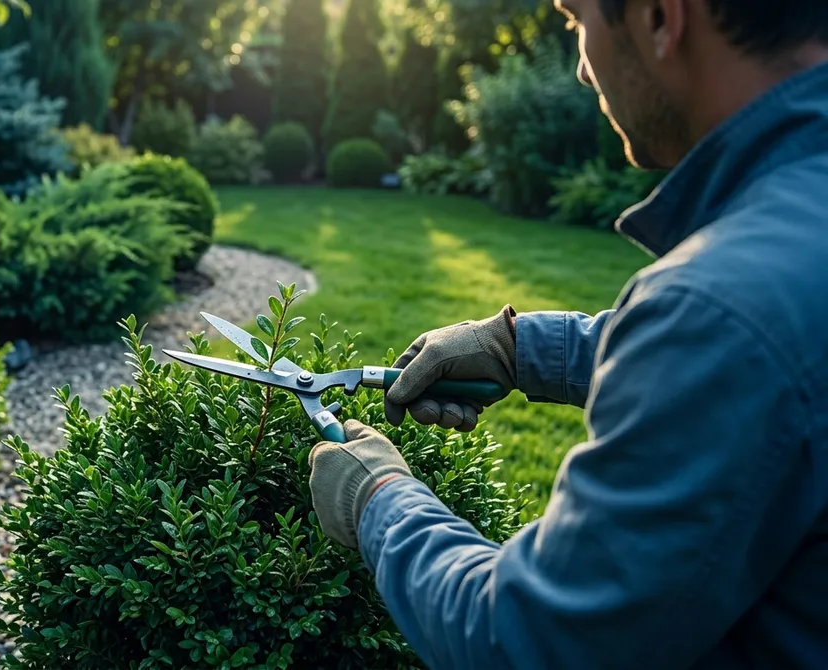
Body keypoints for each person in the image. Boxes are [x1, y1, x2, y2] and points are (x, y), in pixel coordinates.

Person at [306, 0, 828, 667]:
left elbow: (528, 641)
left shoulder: (722, 309)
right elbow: (772, 371)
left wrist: (377, 500)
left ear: (661, 17)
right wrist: (521, 348)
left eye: (576, 21)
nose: (582, 69)